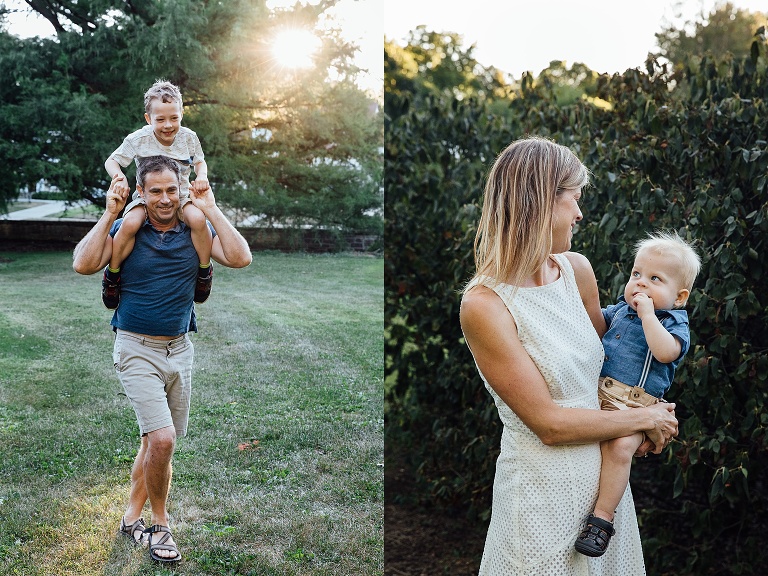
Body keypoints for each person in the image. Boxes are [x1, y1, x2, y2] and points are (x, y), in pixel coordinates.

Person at [459, 136, 679, 575]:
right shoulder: (485, 305)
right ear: (539, 202)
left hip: (603, 497)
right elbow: (550, 425)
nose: (580, 213)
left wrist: (647, 411)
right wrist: (644, 419)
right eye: (574, 199)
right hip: (540, 496)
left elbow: (612, 365)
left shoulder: (576, 270)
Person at [72, 155, 252, 563]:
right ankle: (160, 526)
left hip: (180, 349)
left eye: (172, 189)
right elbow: (82, 263)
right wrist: (109, 213)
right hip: (135, 347)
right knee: (164, 440)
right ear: (141, 192)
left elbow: (241, 257)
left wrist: (209, 206)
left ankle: (130, 517)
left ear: (182, 189)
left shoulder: (195, 229)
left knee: (154, 442)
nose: (165, 199)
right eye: (155, 191)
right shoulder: (127, 230)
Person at [574, 231, 701, 557]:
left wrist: (648, 316)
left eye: (655, 279)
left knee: (619, 449)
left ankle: (601, 520)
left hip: (635, 407)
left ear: (679, 296)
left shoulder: (673, 322)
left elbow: (665, 353)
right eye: (636, 275)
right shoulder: (619, 311)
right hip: (598, 395)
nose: (640, 284)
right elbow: (587, 325)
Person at [102, 79, 213, 310]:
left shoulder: (189, 137)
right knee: (130, 223)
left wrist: (201, 176)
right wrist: (118, 177)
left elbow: (200, 162)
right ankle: (113, 274)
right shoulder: (138, 139)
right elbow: (112, 161)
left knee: (198, 220)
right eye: (160, 119)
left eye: (174, 118)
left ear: (182, 114)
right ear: (148, 118)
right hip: (147, 198)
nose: (168, 125)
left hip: (180, 196)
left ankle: (204, 271)